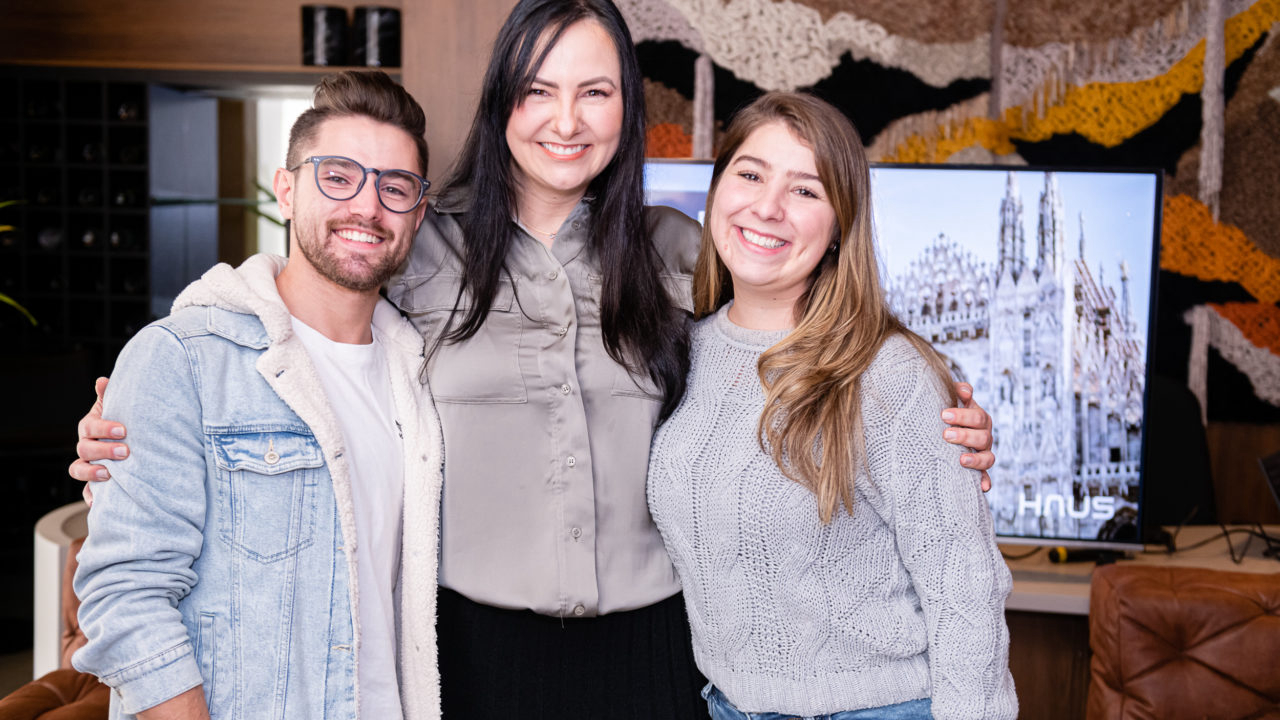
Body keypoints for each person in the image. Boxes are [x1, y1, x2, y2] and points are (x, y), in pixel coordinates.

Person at [70, 1, 996, 716]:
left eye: (595, 91)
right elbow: (288, 298)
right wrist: (156, 387)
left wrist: (945, 406)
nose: (567, 119)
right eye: (538, 90)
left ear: (627, 108)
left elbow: (805, 326)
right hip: (468, 655)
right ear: (501, 99)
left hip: (659, 657)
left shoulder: (680, 254)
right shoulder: (416, 247)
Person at [70, 71, 444, 720]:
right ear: (286, 190)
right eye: (337, 176)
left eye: (395, 186)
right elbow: (125, 591)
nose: (367, 206)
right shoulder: (182, 359)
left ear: (418, 212)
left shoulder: (425, 376)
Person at [647, 91, 1017, 720]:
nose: (768, 207)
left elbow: (964, 592)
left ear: (841, 224)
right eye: (750, 174)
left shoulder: (889, 374)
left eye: (805, 191)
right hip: (725, 707)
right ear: (716, 193)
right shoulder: (681, 349)